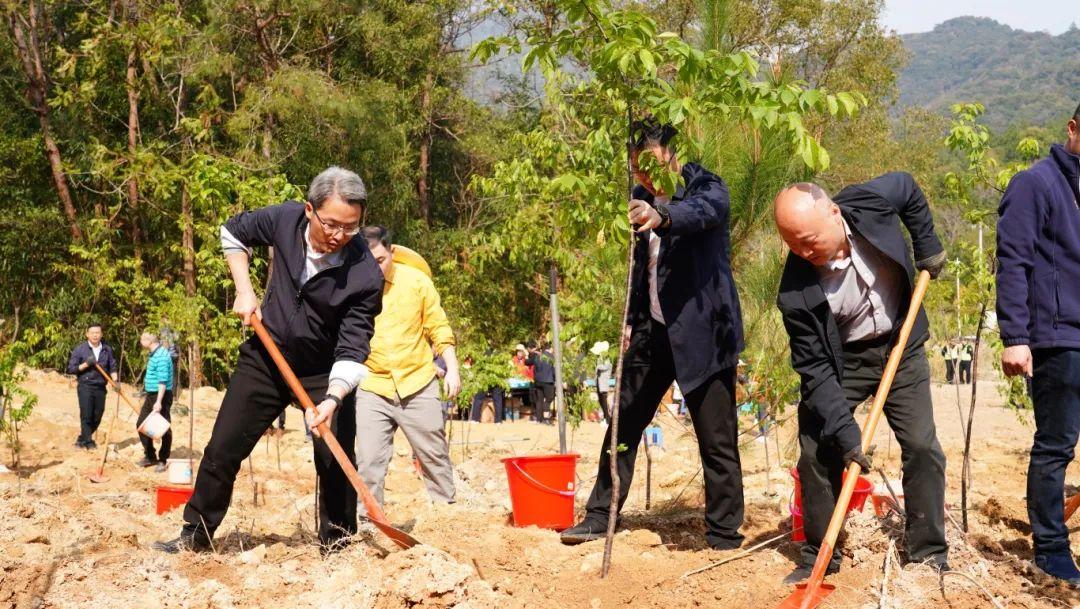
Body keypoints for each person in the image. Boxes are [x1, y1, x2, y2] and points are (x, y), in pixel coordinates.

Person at [154, 166, 382, 554]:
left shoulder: (364, 272)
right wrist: (244, 290)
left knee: (335, 459)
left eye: (350, 228)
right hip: (267, 354)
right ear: (309, 210)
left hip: (323, 372)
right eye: (330, 224)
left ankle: (339, 544)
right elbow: (232, 232)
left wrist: (333, 398)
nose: (338, 236)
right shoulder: (285, 219)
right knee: (223, 446)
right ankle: (197, 534)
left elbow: (355, 342)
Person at [561, 117, 745, 550]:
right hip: (653, 333)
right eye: (635, 166)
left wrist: (662, 215)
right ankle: (600, 514)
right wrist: (631, 321)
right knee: (622, 425)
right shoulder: (638, 196)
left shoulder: (706, 185)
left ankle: (722, 533)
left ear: (669, 153)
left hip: (705, 334)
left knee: (717, 439)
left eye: (649, 162)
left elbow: (703, 214)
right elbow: (642, 269)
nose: (643, 174)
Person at [772, 175, 950, 583]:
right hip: (843, 362)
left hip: (899, 344)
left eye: (809, 239)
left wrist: (927, 245)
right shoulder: (795, 292)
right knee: (817, 450)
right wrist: (847, 435)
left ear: (834, 213)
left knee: (922, 446)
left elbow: (907, 188)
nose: (803, 251)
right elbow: (815, 371)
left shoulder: (868, 202)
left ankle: (927, 553)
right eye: (792, 243)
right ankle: (818, 554)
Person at [997, 102, 1080, 585]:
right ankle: (1050, 549)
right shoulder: (1036, 183)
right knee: (1056, 447)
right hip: (1057, 339)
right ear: (1072, 128)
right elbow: (1012, 261)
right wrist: (1016, 337)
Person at [354, 226, 461, 511]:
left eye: (380, 260)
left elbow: (438, 327)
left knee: (434, 455)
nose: (375, 267)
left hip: (417, 382)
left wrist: (452, 368)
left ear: (391, 252)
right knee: (368, 461)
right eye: (367, 261)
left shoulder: (416, 282)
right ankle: (370, 523)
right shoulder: (352, 286)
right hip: (372, 385)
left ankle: (447, 515)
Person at [66, 323, 118, 450]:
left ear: (101, 334)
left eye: (98, 332)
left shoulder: (107, 349)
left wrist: (116, 381)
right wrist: (86, 364)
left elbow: (112, 367)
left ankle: (82, 438)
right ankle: (89, 442)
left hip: (100, 386)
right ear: (87, 334)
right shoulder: (80, 350)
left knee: (98, 414)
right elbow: (71, 369)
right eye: (92, 332)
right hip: (85, 386)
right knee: (86, 414)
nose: (95, 335)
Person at [137, 331, 174, 472]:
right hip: (152, 394)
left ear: (148, 341)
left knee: (163, 428)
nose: (140, 342)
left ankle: (163, 459)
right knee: (141, 424)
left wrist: (158, 401)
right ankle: (150, 455)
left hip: (161, 396)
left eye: (141, 339)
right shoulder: (154, 353)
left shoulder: (162, 356)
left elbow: (162, 381)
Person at [526, 341, 555, 423]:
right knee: (549, 399)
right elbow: (554, 370)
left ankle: (539, 419)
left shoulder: (537, 356)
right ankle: (546, 419)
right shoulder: (552, 357)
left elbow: (528, 362)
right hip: (548, 381)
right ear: (550, 349)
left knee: (539, 400)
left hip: (538, 381)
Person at [591, 341, 612, 420]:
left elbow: (606, 366)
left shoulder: (606, 358)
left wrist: (598, 367)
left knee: (603, 400)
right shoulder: (600, 358)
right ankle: (605, 416)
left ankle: (607, 417)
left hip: (603, 382)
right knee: (601, 400)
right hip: (599, 382)